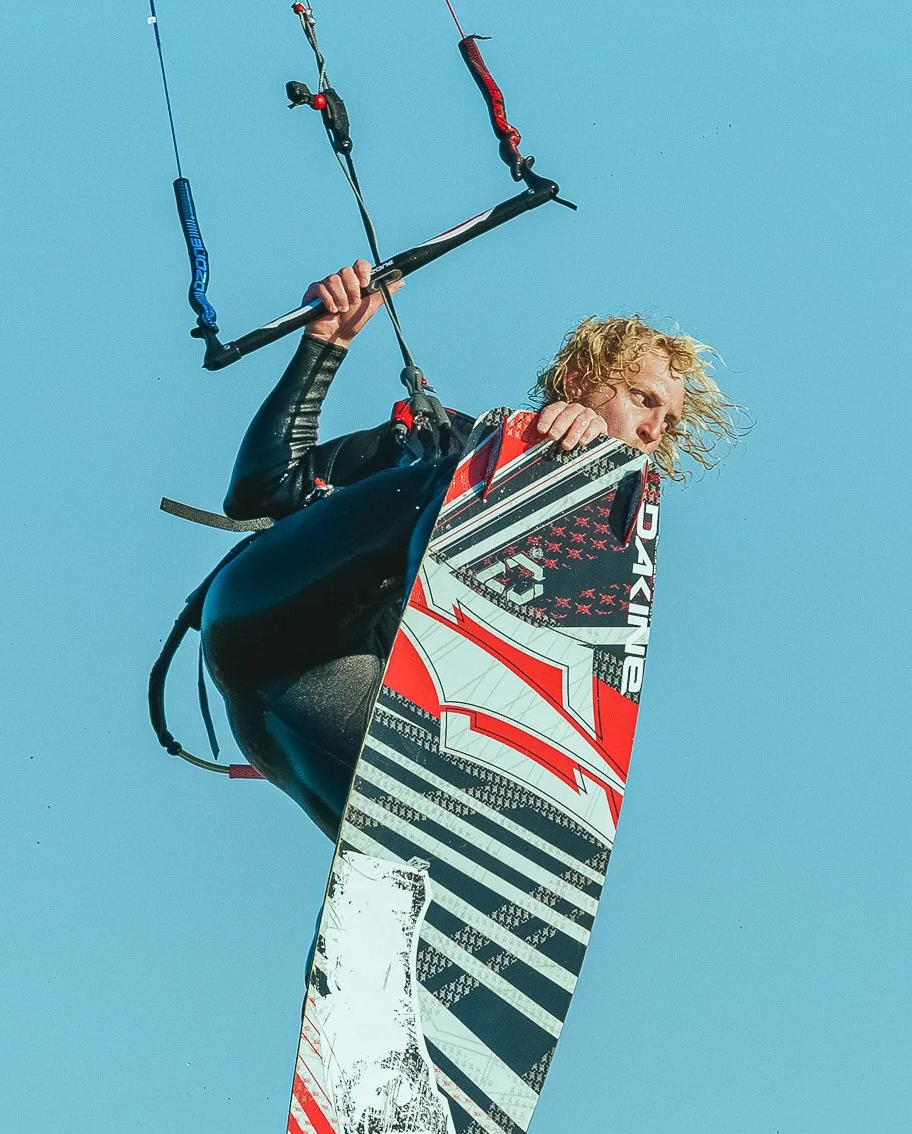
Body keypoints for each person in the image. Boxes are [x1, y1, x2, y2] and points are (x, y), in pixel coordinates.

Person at [200, 259, 736, 840]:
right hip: (262, 621)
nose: (655, 428)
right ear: (581, 381)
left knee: (428, 851)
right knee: (466, 479)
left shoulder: (596, 560)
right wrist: (324, 345)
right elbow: (261, 490)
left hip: (315, 706)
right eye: (642, 398)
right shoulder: (442, 443)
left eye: (669, 421)